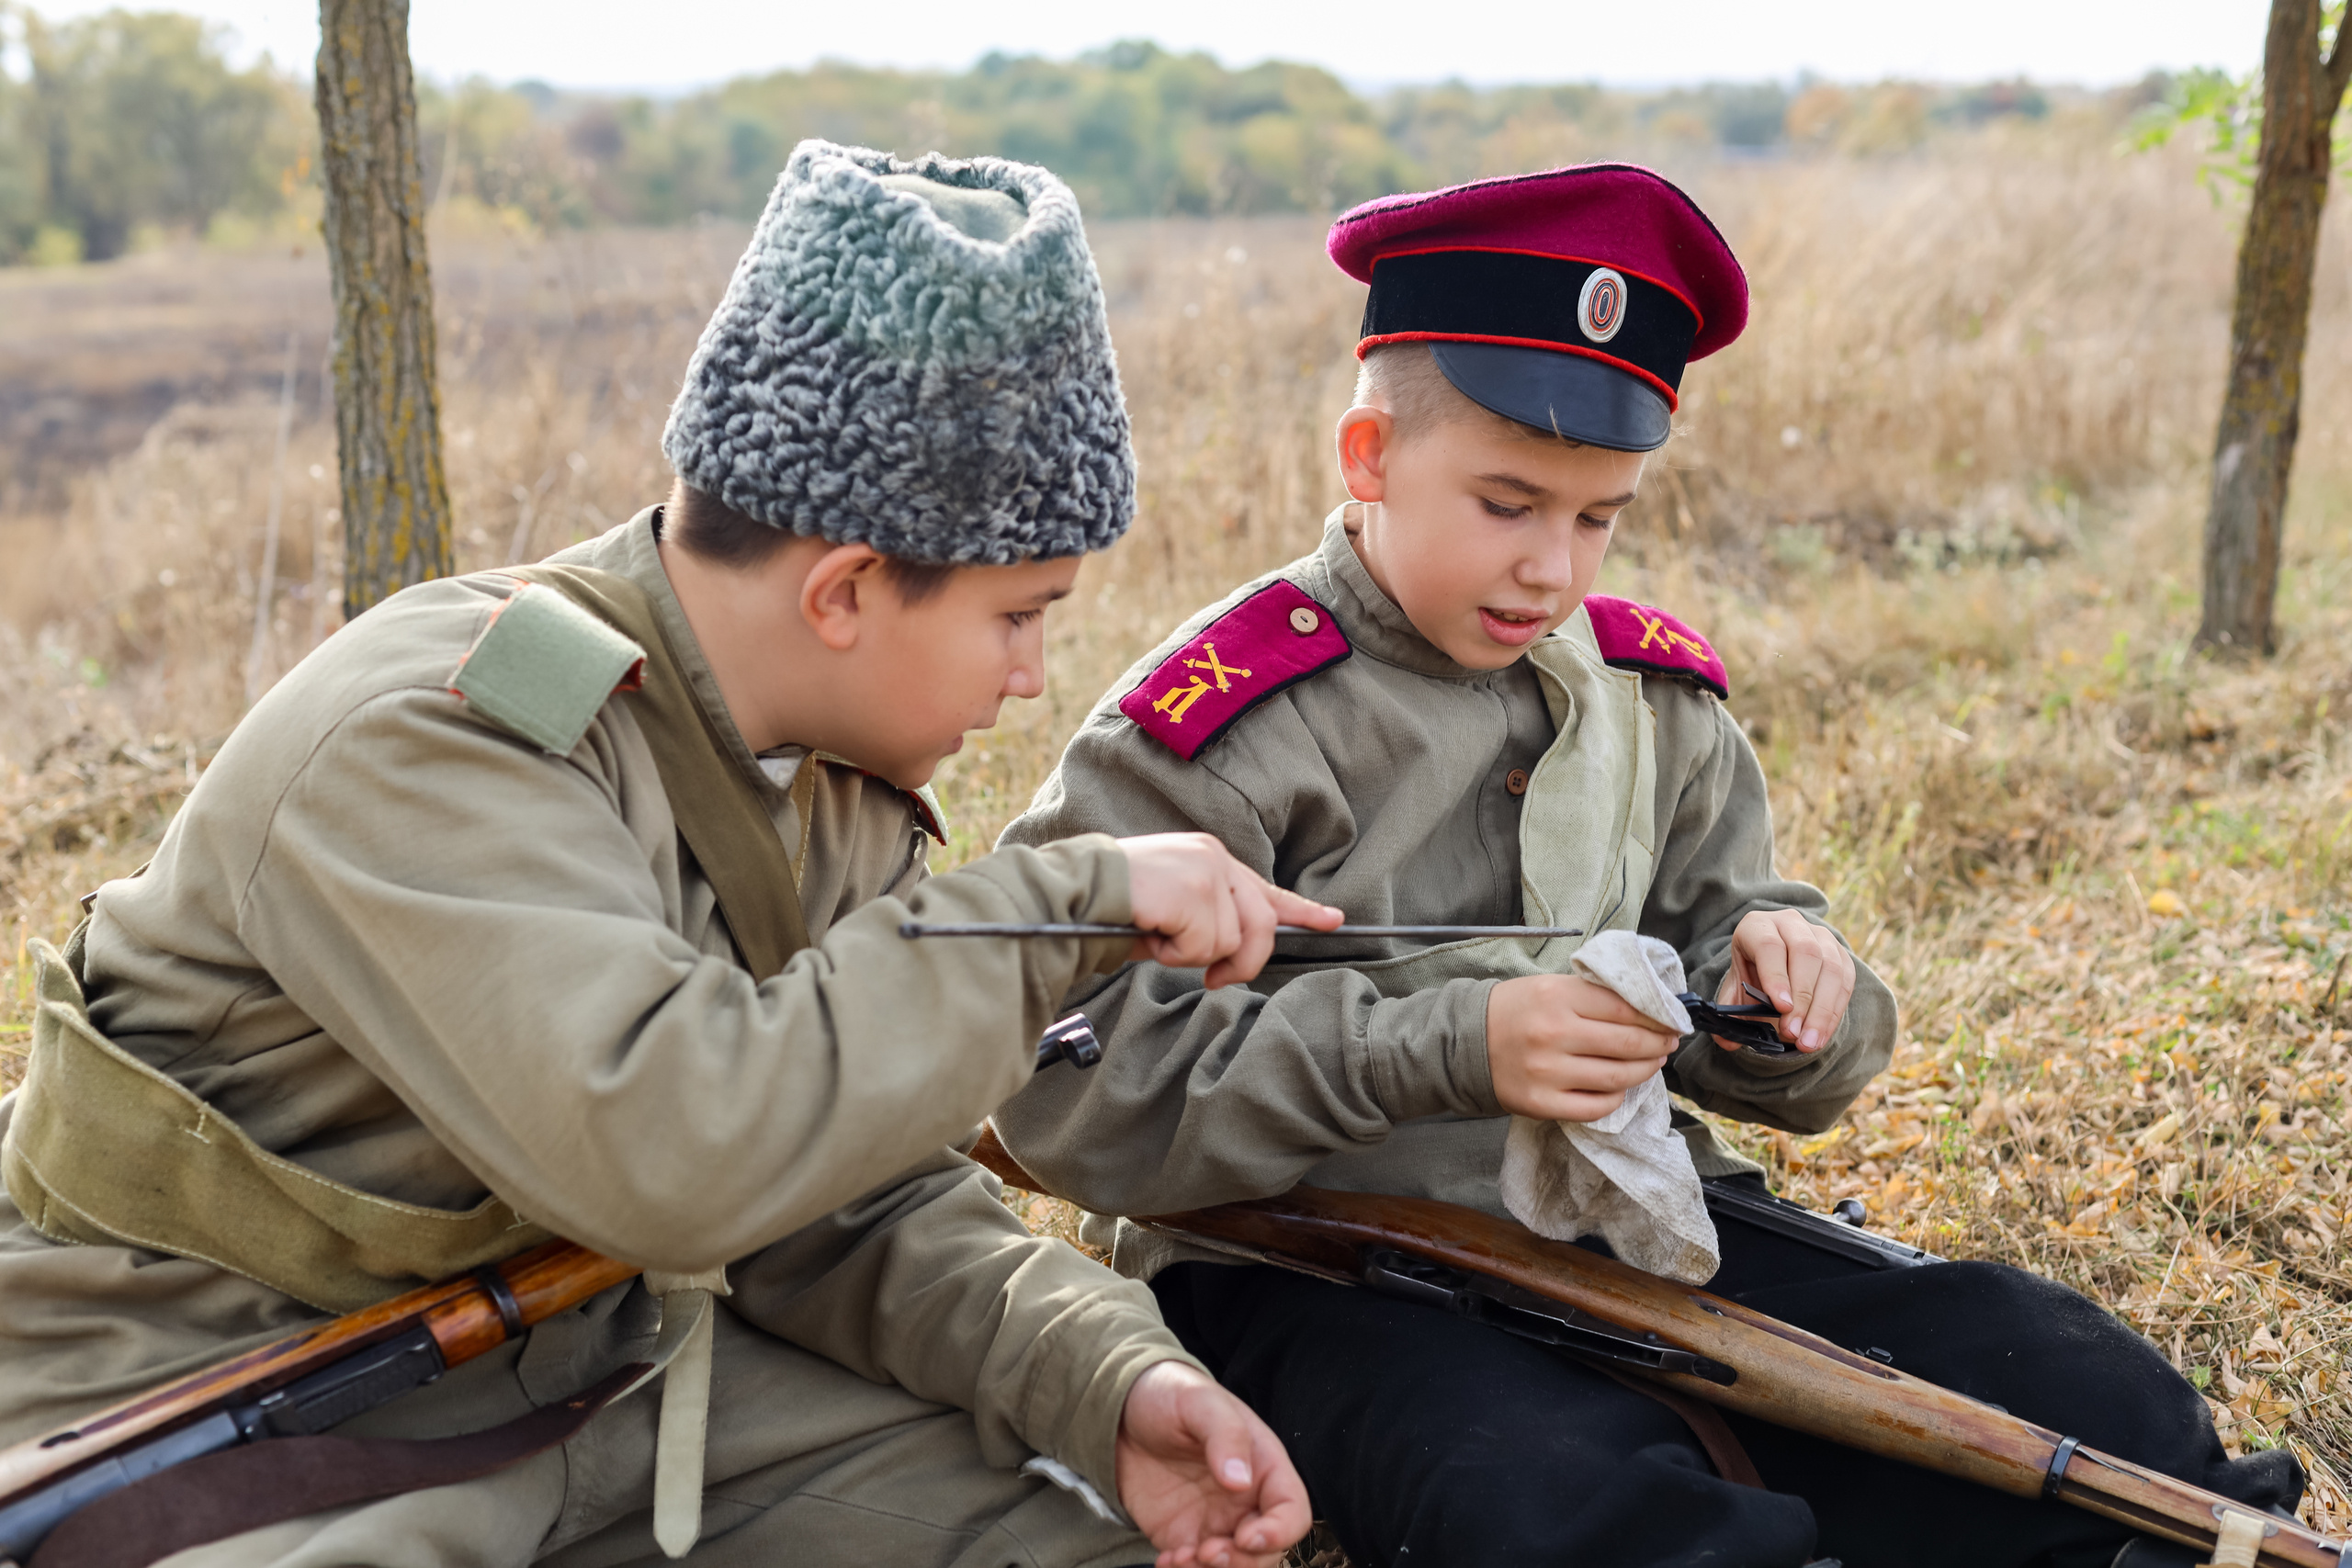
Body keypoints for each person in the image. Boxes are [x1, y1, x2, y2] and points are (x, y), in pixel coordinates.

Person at [0, 141, 1329, 1568]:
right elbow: (676, 1149)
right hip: (234, 1401)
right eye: (1020, 617)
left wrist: (1105, 1379)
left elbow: (846, 1195)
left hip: (600, 1372)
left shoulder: (825, 779)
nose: (1031, 676)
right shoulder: (438, 743)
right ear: (845, 593)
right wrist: (1074, 900)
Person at [991, 164, 2302, 1568]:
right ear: (1366, 459)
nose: (1554, 567)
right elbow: (1065, 1089)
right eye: (1506, 503)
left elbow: (1753, 974)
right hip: (1310, 1268)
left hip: (1648, 1234)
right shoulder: (1214, 725)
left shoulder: (1650, 697)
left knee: (2087, 1402)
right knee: (1566, 1510)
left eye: (1598, 514)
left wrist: (1796, 996)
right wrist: (1446, 1050)